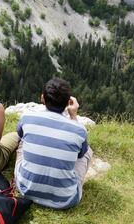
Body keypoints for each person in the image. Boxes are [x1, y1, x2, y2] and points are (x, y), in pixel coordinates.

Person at [14, 78, 92, 209]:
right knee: (87, 151)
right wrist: (74, 117)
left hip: (25, 190)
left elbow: (20, 134)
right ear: (68, 103)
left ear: (42, 98)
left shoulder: (27, 117)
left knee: (22, 141)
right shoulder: (79, 130)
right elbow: (80, 155)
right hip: (66, 200)